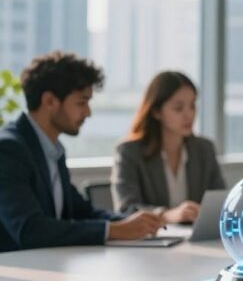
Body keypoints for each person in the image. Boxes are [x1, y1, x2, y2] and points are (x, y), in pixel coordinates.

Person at [0, 52, 164, 252]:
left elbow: (80, 211)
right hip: (16, 276)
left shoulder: (52, 150)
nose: (88, 112)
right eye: (81, 102)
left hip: (48, 266)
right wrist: (113, 230)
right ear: (50, 101)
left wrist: (132, 222)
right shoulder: (8, 150)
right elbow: (30, 230)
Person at [112, 71, 225, 223]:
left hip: (197, 240)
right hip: (151, 241)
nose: (189, 115)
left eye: (192, 106)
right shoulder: (129, 152)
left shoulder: (204, 149)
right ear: (156, 111)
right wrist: (167, 215)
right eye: (178, 108)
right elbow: (126, 208)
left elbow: (222, 204)